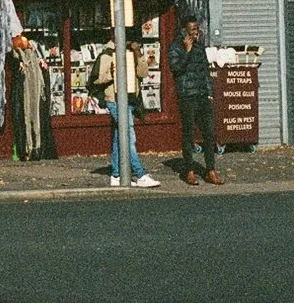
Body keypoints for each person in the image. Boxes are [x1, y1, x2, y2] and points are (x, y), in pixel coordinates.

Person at [92, 36, 160, 188]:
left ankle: (116, 175)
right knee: (129, 135)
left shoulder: (132, 53)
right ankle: (139, 173)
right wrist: (112, 72)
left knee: (120, 136)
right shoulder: (108, 54)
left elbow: (143, 74)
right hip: (114, 100)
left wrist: (138, 54)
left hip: (130, 99)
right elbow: (98, 78)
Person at [169, 17, 223, 185]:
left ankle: (210, 170)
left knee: (209, 133)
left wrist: (209, 93)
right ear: (184, 31)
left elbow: (205, 71)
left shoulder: (200, 48)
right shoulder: (176, 47)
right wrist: (187, 50)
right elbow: (176, 69)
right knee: (188, 134)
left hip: (201, 95)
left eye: (196, 29)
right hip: (187, 96)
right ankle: (189, 170)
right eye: (192, 29)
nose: (195, 32)